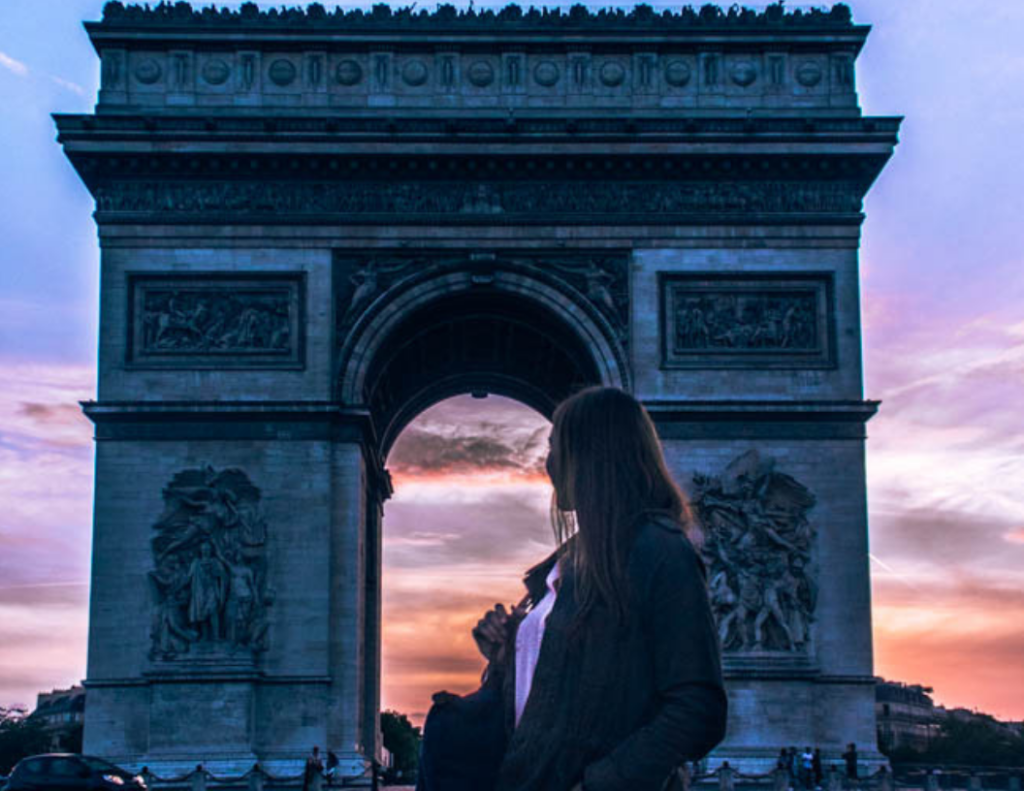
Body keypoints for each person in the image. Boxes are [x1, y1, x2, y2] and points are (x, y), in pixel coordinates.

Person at [464, 386, 729, 791]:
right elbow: (542, 708)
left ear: (592, 454)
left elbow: (698, 708)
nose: (547, 464)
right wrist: (507, 655)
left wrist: (602, 785)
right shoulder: (564, 565)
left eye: (555, 447)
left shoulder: (661, 552)